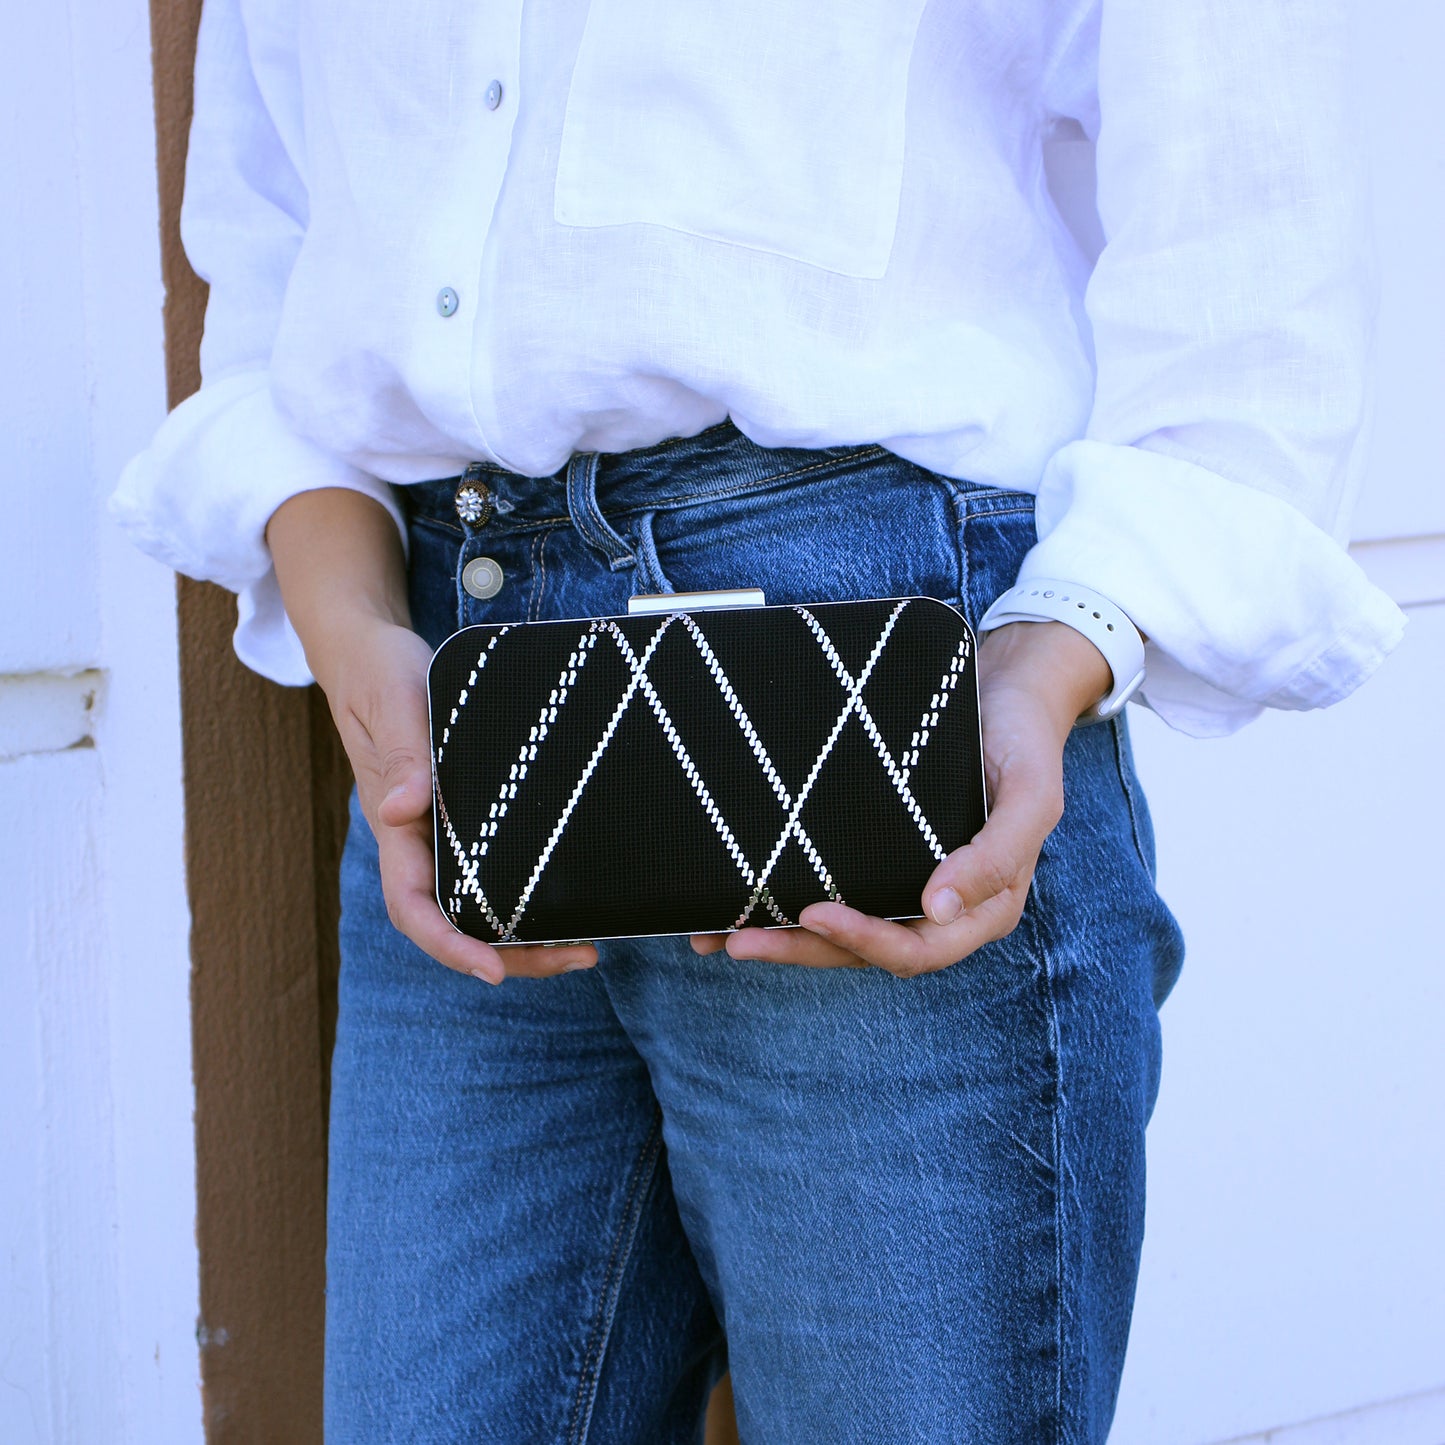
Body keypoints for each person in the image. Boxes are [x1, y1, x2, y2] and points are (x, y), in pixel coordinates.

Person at [114, 1, 1405, 1439]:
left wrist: (1061, 651)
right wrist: (357, 634)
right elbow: (277, 222)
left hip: (873, 683)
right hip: (463, 707)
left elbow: (1244, 218)